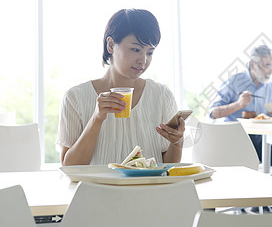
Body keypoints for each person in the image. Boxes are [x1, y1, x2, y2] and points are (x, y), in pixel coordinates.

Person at [56, 9, 185, 166]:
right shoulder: (76, 97)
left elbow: (168, 167)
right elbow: (70, 167)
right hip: (98, 190)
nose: (143, 60)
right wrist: (97, 118)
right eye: (136, 49)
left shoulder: (162, 95)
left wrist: (177, 143)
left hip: (149, 189)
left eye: (149, 52)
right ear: (110, 45)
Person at [209, 45, 272, 182]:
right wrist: (238, 105)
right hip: (234, 141)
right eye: (267, 65)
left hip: (258, 140)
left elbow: (268, 115)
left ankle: (268, 202)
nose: (271, 71)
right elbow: (212, 112)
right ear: (253, 64)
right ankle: (258, 201)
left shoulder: (269, 85)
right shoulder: (235, 81)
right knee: (251, 167)